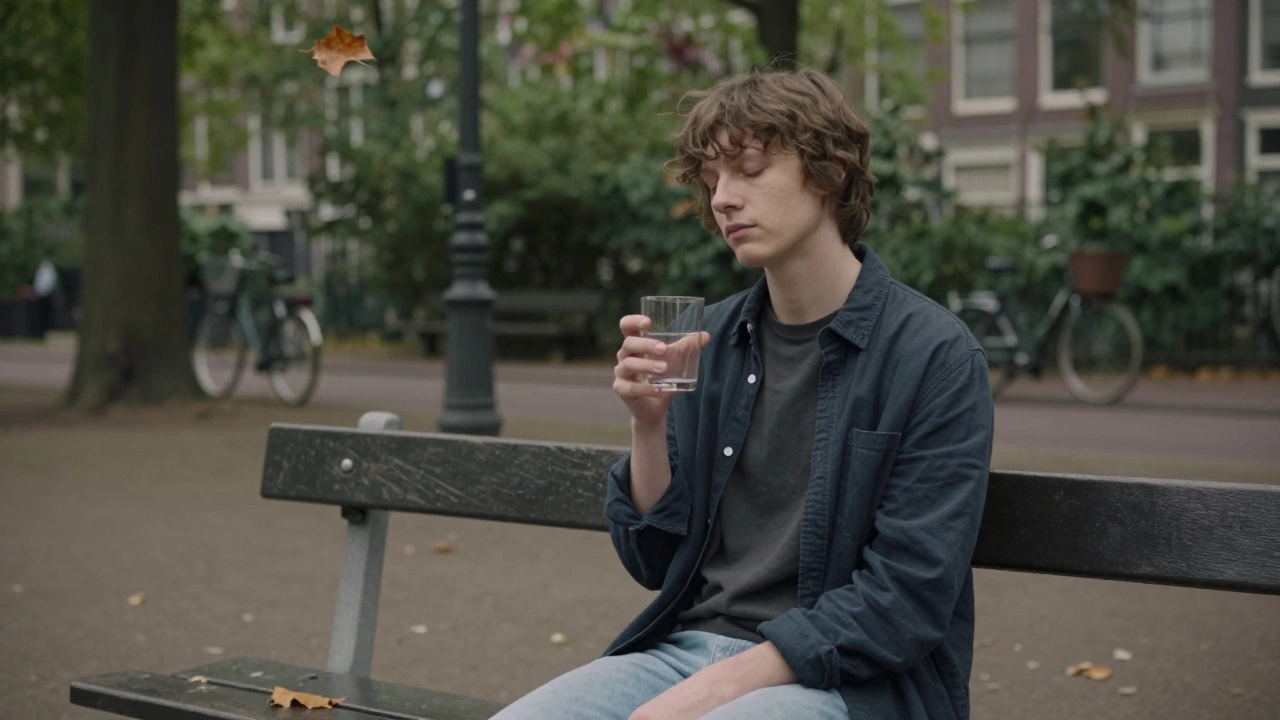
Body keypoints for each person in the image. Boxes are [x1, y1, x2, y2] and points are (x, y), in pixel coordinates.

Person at [492, 67, 993, 720]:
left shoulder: (933, 355)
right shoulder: (711, 338)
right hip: (684, 652)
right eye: (713, 179)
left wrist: (714, 691)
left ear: (831, 172)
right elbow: (655, 561)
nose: (724, 198)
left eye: (750, 171)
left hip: (848, 683)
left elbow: (906, 597)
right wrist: (648, 426)